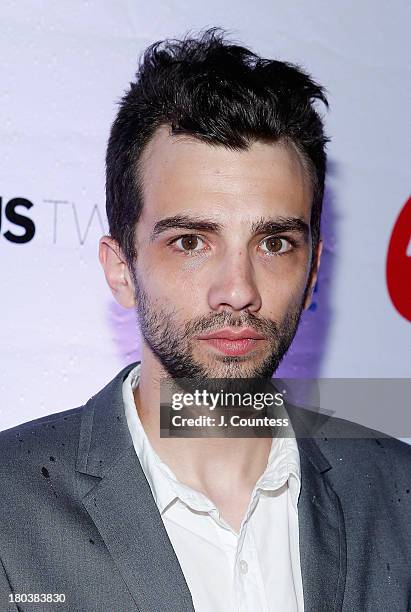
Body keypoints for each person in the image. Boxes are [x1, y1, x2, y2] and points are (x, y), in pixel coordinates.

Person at [0, 28, 410, 612]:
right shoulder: (10, 507)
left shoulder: (398, 493)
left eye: (274, 243)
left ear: (314, 269)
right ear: (121, 269)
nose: (238, 290)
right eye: (191, 241)